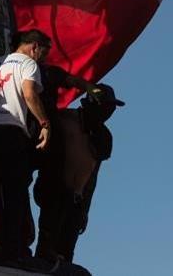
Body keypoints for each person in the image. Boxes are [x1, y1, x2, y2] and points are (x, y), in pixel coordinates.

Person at [0, 29, 52, 267]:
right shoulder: (28, 64)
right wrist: (44, 123)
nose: (43, 59)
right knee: (14, 192)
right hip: (10, 132)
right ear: (34, 47)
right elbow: (29, 94)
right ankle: (11, 249)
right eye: (44, 53)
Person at [34, 81, 124, 265]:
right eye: (106, 107)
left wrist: (85, 209)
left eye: (111, 109)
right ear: (93, 104)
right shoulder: (65, 118)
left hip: (75, 199)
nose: (109, 112)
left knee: (66, 253)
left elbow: (93, 176)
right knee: (47, 249)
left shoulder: (102, 136)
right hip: (54, 190)